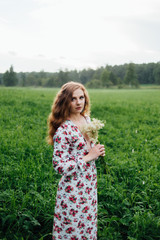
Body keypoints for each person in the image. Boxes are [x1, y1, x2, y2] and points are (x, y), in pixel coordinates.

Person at [47, 81, 105, 240]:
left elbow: (87, 148)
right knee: (72, 230)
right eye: (73, 99)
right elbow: (59, 166)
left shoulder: (86, 119)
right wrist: (88, 157)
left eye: (81, 97)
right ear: (65, 101)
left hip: (89, 185)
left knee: (88, 226)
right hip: (73, 190)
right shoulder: (63, 130)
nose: (79, 102)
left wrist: (96, 151)